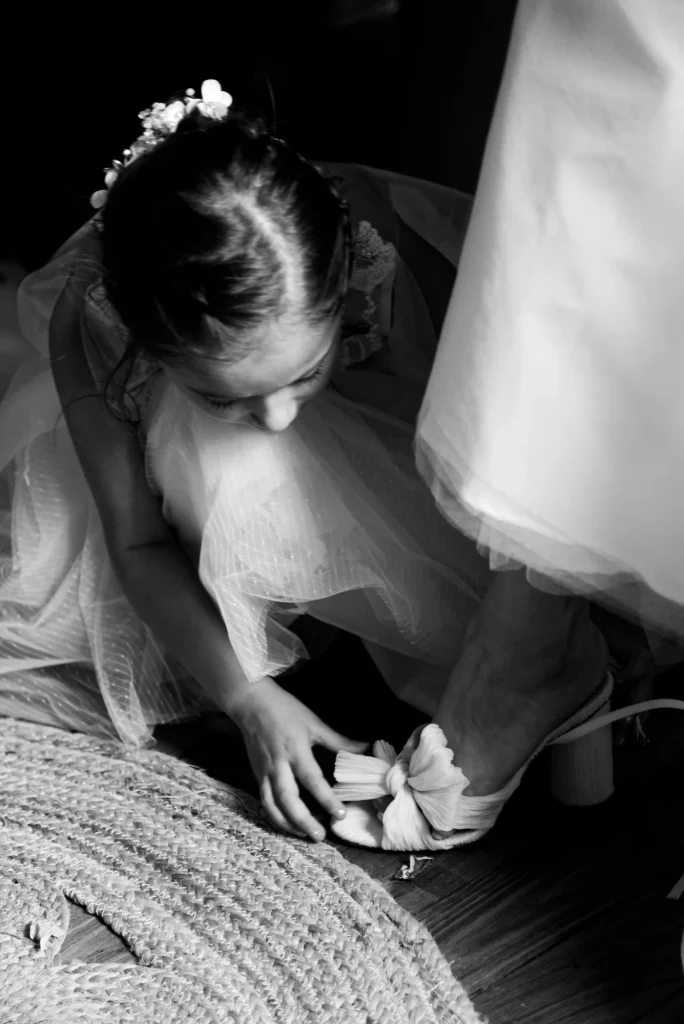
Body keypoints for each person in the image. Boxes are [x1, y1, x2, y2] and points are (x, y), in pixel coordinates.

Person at [0, 78, 644, 854]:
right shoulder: (98, 324)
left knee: (456, 496)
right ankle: (268, 617)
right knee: (223, 458)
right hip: (175, 507)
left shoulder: (369, 252)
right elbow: (135, 542)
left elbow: (483, 433)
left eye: (302, 374)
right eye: (225, 394)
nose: (275, 415)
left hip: (404, 429)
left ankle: (532, 670)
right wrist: (247, 696)